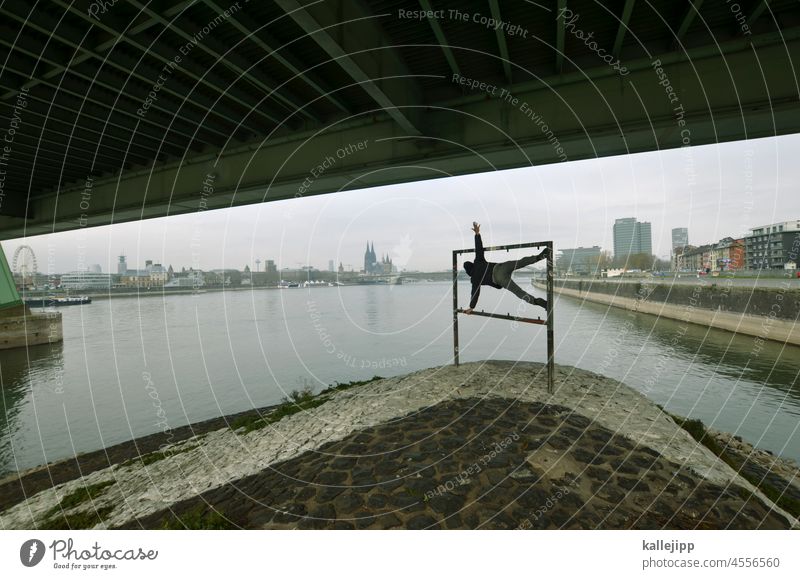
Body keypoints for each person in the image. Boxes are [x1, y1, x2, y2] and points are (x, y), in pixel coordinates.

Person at [463, 221, 548, 314]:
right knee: (521, 262)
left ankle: (537, 301)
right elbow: (479, 248)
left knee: (518, 292)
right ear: (472, 264)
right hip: (501, 267)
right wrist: (477, 234)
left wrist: (471, 307)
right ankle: (540, 256)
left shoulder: (474, 280)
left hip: (499, 279)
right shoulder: (478, 262)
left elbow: (475, 293)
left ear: (468, 272)